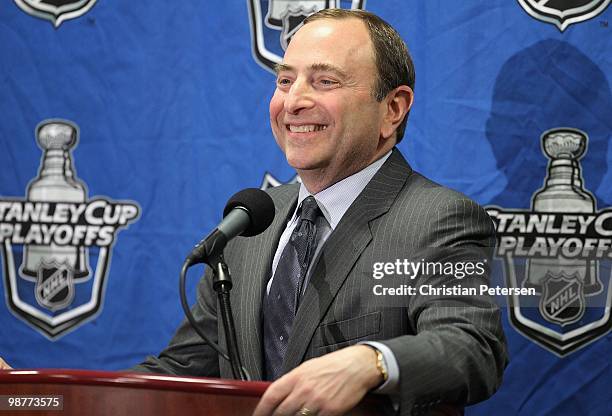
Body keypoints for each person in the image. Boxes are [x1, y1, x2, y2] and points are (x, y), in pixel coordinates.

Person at [1, 9, 507, 416]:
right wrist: (31, 395)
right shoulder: (248, 225)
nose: (294, 101)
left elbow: (470, 347)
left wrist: (372, 361)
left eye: (324, 82)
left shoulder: (438, 219)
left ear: (392, 109)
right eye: (285, 81)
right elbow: (179, 373)